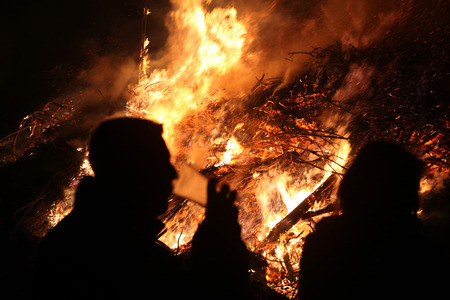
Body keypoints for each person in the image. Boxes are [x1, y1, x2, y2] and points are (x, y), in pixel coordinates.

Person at [33, 117, 248, 299]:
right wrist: (220, 229)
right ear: (134, 173)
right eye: (161, 164)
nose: (173, 175)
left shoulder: (75, 236)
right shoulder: (123, 261)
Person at [298, 141, 448, 300]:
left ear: (352, 185)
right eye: (415, 187)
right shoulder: (423, 256)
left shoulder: (320, 244)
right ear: (404, 194)